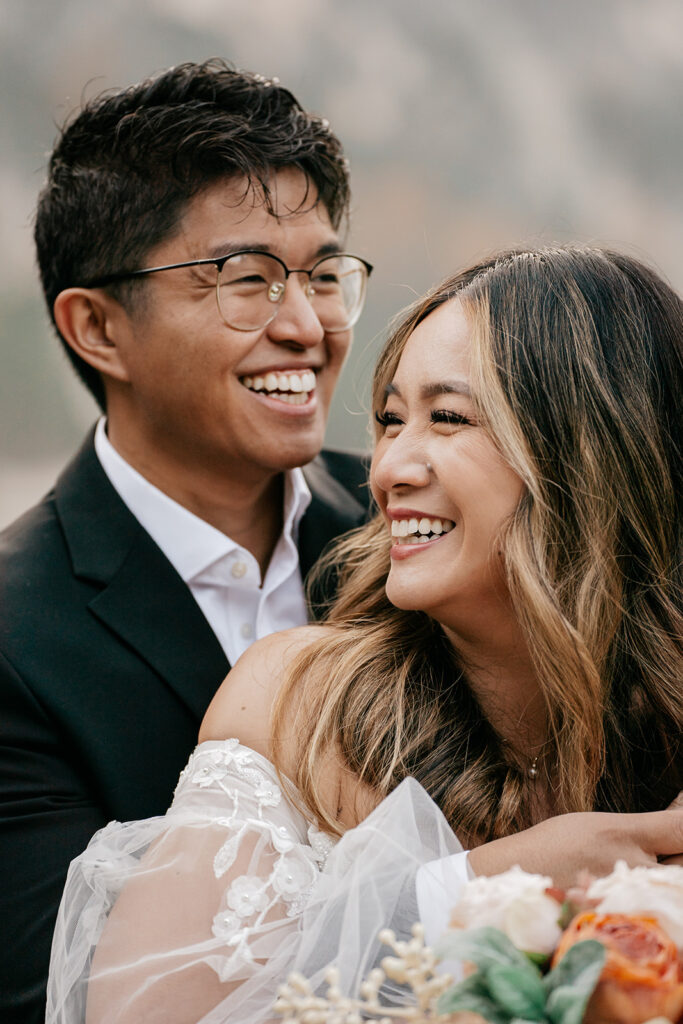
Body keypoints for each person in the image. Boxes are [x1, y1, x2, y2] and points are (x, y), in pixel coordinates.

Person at [46, 245, 682, 1023]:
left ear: (589, 453)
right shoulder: (297, 704)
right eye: (388, 420)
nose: (388, 468)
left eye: (446, 418)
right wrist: (476, 889)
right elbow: (141, 1016)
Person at [0, 60, 373, 1022]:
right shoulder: (13, 641)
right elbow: (73, 995)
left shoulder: (412, 527)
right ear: (98, 327)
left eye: (324, 275)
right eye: (246, 280)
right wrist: (485, 889)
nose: (307, 325)